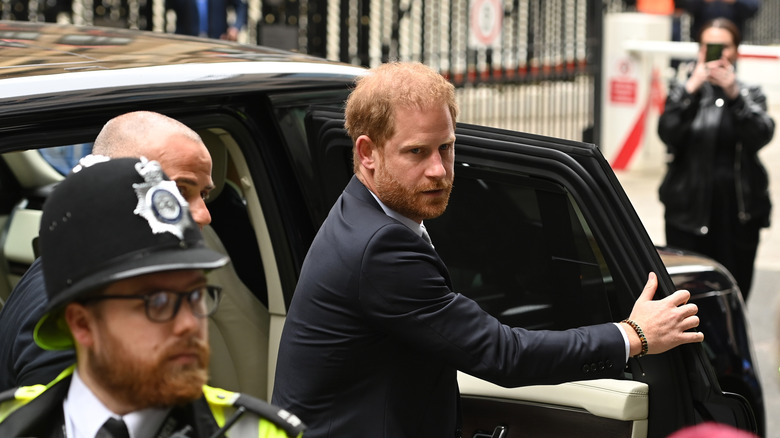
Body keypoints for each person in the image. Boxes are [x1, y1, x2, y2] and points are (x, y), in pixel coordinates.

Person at [271, 61, 704, 437]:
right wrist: (634, 335)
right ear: (367, 152)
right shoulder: (381, 248)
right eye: (417, 152)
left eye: (447, 147)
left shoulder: (365, 211)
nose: (439, 170)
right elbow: (503, 355)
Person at [0, 157, 304, 437]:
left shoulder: (258, 432)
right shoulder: (9, 423)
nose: (189, 324)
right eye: (157, 301)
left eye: (196, 295)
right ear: (82, 324)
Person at [0, 111, 215, 391]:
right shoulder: (76, 305)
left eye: (204, 194)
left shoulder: (69, 268)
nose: (204, 214)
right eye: (178, 190)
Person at [657, 18, 774, 300]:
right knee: (687, 296)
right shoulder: (685, 91)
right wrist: (690, 90)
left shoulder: (749, 93)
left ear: (735, 51)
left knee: (734, 292)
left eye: (724, 47)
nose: (716, 53)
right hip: (687, 211)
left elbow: (761, 134)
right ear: (699, 50)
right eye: (709, 46)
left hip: (739, 214)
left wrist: (735, 95)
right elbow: (668, 133)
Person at [165, 0, 248, 41]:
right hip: (187, 43)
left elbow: (241, 6)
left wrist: (235, 28)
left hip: (218, 41)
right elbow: (166, 7)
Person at [679, 0, 760, 42]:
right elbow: (686, 6)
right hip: (701, 41)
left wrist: (735, 1)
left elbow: (753, 8)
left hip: (731, 42)